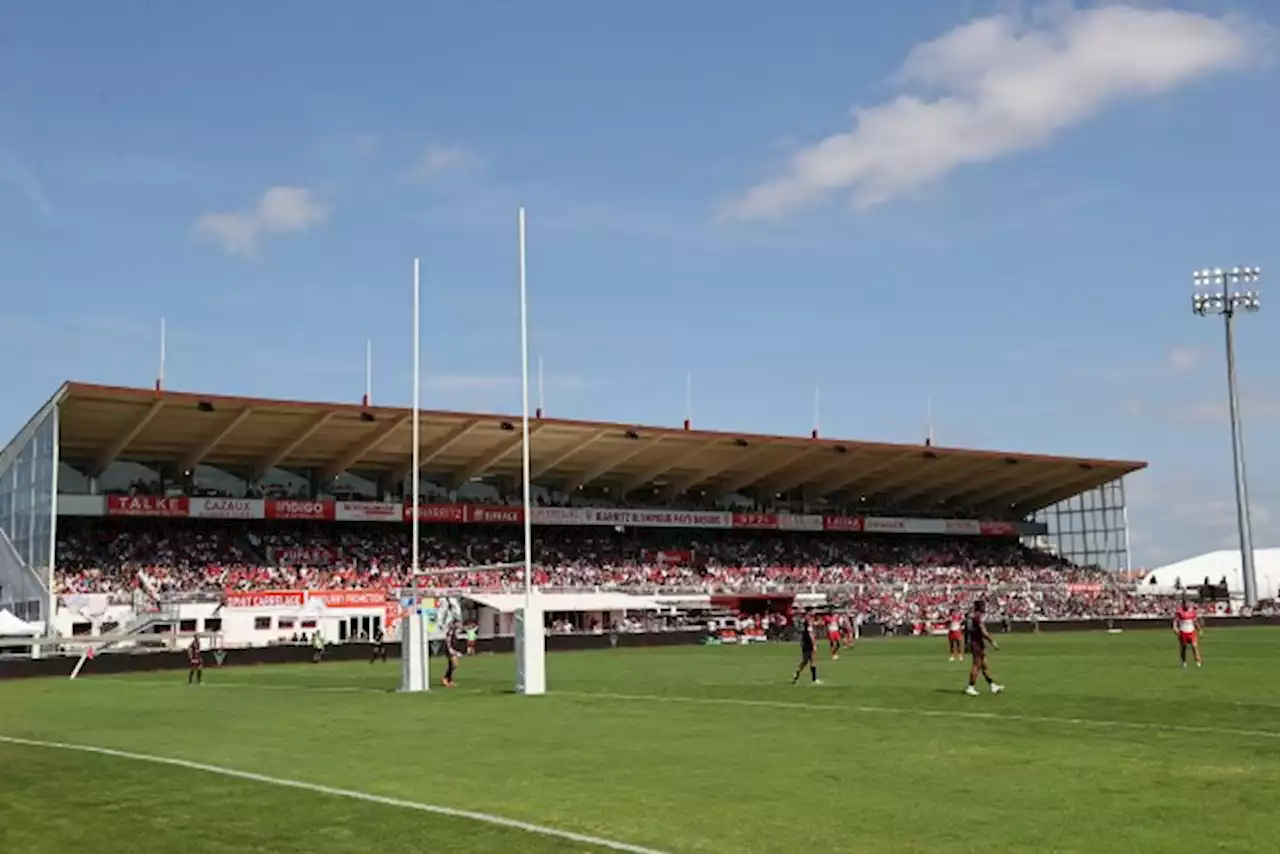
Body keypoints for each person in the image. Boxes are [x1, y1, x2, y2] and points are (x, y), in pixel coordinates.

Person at [964, 600, 1004, 696]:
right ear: (980, 607)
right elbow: (984, 632)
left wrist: (966, 643)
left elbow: (966, 631)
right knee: (976, 665)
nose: (985, 608)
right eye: (984, 606)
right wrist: (993, 642)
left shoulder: (972, 617)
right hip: (977, 644)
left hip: (976, 643)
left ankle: (992, 685)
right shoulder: (978, 618)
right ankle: (970, 687)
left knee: (984, 666)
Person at [791, 614, 822, 685]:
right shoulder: (808, 624)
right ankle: (814, 680)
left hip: (804, 643)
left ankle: (796, 674)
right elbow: (811, 634)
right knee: (812, 661)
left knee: (805, 662)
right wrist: (814, 644)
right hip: (809, 644)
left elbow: (815, 624)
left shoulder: (805, 622)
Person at [1173, 599, 1203, 668]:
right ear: (1183, 604)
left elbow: (1195, 621)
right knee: (1184, 648)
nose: (1187, 605)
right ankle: (1184, 662)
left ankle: (1198, 661)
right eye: (1186, 604)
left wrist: (1199, 630)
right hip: (1183, 632)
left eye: (1188, 604)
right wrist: (1175, 628)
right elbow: (1175, 621)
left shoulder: (1192, 612)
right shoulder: (1179, 612)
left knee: (1194, 646)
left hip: (1191, 632)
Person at [441, 623, 461, 688]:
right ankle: (445, 679)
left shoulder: (454, 633)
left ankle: (449, 680)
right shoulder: (450, 633)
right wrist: (451, 651)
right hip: (449, 650)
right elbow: (448, 642)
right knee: (453, 664)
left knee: (454, 665)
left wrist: (456, 651)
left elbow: (454, 643)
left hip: (452, 650)